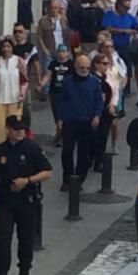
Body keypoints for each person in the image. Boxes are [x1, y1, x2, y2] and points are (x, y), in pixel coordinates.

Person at [0, 115, 53, 275]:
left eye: (22, 129)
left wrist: (27, 181)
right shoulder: (0, 150)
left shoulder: (32, 148)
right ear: (8, 129)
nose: (20, 132)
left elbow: (47, 172)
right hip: (5, 201)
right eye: (16, 129)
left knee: (26, 241)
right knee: (3, 242)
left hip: (27, 201)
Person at [57, 55, 104, 190]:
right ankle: (67, 179)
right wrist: (60, 118)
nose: (84, 70)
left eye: (87, 68)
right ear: (76, 67)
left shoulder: (95, 82)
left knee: (84, 153)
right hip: (70, 121)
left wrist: (97, 116)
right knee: (67, 151)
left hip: (86, 122)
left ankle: (79, 179)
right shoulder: (67, 82)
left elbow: (98, 102)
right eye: (82, 67)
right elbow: (62, 101)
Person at [0, 35, 29, 147]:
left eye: (8, 46)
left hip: (15, 99)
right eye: (4, 46)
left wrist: (22, 94)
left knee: (14, 127)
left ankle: (15, 150)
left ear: (12, 47)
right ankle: (0, 151)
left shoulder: (19, 61)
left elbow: (25, 80)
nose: (6, 49)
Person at [40, 44, 72, 147]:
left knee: (65, 115)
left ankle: (62, 135)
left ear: (67, 53)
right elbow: (48, 76)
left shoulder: (71, 65)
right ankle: (59, 134)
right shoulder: (53, 64)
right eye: (60, 51)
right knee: (57, 115)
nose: (62, 53)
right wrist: (41, 84)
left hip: (67, 94)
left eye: (64, 51)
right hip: (55, 93)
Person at [101, 0, 138, 80]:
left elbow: (137, 28)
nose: (127, 10)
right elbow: (107, 28)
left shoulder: (129, 17)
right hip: (112, 47)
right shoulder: (109, 15)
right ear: (119, 6)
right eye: (126, 8)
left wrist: (136, 34)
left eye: (129, 8)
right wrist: (124, 31)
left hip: (125, 47)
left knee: (126, 68)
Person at [89, 54, 115, 172]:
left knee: (103, 138)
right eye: (104, 64)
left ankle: (98, 160)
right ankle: (94, 160)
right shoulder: (94, 80)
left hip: (106, 112)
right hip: (96, 112)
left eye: (107, 63)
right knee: (95, 138)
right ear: (96, 65)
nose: (106, 66)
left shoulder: (106, 78)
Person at [36, 0, 70, 75]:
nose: (54, 10)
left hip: (62, 49)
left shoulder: (64, 19)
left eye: (56, 8)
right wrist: (44, 49)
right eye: (52, 8)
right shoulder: (43, 20)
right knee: (47, 72)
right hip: (49, 50)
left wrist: (68, 49)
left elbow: (68, 36)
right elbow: (39, 36)